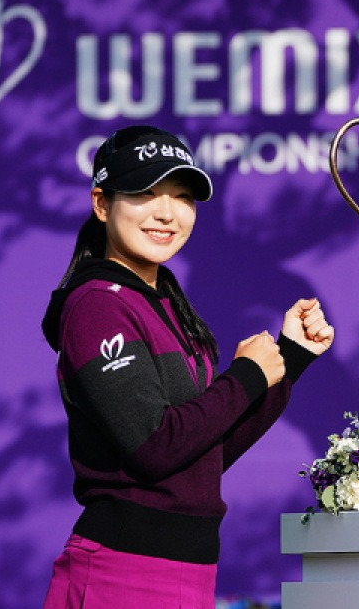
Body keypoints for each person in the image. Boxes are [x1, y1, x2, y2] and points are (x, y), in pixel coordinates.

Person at [39, 125, 334, 608]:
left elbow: (203, 453)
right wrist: (246, 375)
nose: (166, 212)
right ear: (101, 204)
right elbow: (157, 445)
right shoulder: (96, 305)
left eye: (181, 196)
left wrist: (288, 359)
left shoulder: (165, 302)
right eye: (143, 193)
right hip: (122, 571)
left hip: (187, 571)